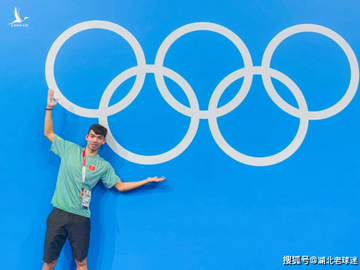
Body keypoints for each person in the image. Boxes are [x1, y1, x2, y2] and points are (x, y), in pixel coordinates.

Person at [42, 89, 165, 270]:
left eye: (99, 138)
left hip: (81, 217)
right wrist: (49, 109)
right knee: (49, 262)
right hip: (59, 213)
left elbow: (121, 186)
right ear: (87, 137)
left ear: (103, 142)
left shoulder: (103, 166)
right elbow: (48, 133)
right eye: (92, 136)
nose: (95, 140)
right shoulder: (69, 149)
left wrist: (145, 181)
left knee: (82, 263)